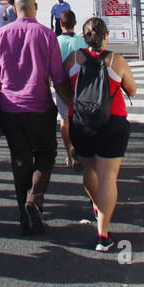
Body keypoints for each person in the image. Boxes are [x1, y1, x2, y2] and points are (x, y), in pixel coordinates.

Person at [0, 0, 73, 235]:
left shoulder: (1, 34)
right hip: (40, 106)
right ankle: (33, 200)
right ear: (35, 6)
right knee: (46, 154)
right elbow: (58, 76)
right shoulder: (47, 34)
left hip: (9, 108)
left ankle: (24, 219)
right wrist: (71, 104)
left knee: (19, 160)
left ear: (14, 9)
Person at [68, 17, 137, 252]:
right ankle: (102, 235)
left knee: (89, 169)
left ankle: (97, 206)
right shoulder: (116, 60)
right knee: (108, 177)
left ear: (84, 36)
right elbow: (133, 90)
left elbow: (62, 84)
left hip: (81, 122)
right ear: (106, 35)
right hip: (112, 121)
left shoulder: (74, 59)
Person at [56, 9, 89, 169]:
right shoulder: (82, 42)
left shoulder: (56, 41)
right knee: (81, 120)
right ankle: (83, 152)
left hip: (62, 86)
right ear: (75, 23)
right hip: (80, 85)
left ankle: (69, 154)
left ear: (60, 23)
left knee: (64, 120)